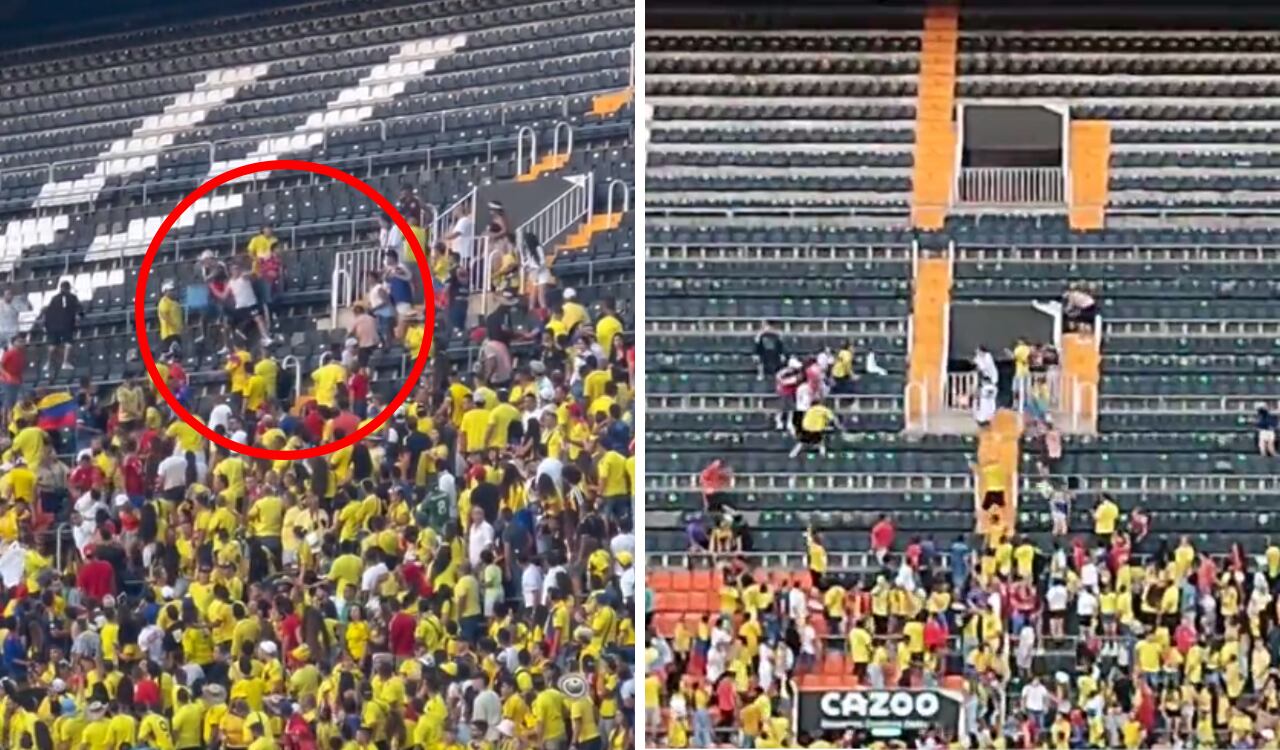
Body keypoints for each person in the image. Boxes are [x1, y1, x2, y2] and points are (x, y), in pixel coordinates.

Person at [40, 279, 82, 371]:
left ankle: (48, 364)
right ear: (69, 288)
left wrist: (46, 325)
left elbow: (47, 311)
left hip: (54, 325)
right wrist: (78, 318)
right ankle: (65, 363)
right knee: (68, 343)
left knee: (52, 345)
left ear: (60, 288)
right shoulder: (73, 297)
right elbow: (79, 310)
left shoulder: (54, 298)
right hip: (67, 324)